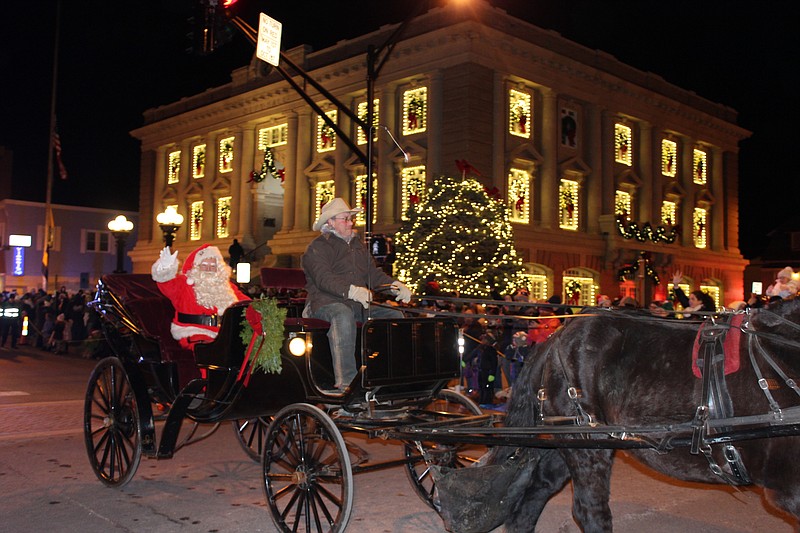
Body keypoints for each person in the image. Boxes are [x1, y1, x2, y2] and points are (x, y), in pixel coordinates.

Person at [302, 198, 412, 392]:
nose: (351, 222)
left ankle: (386, 374)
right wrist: (352, 290)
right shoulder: (317, 247)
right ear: (330, 222)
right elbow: (323, 278)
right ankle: (347, 383)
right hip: (325, 303)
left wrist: (394, 286)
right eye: (345, 219)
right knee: (342, 314)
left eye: (350, 218)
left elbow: (373, 274)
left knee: (394, 316)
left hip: (357, 306)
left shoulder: (357, 246)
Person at [151, 244, 250, 349]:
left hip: (224, 334)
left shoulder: (227, 287)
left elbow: (245, 303)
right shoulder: (184, 284)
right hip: (194, 333)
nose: (208, 269)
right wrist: (165, 268)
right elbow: (166, 284)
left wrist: (261, 308)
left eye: (213, 266)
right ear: (196, 267)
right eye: (204, 265)